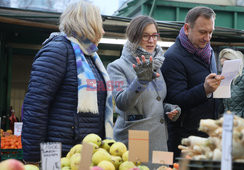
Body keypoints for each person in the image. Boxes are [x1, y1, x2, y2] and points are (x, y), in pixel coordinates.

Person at [21, 1, 113, 163]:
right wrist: (34, 159)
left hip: (85, 150)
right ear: (89, 23)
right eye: (99, 23)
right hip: (57, 152)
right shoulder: (58, 50)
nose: (102, 30)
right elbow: (35, 106)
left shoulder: (90, 56)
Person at [107, 15, 181, 168]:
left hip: (161, 139)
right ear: (134, 37)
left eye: (154, 35)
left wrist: (170, 109)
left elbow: (156, 100)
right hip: (136, 139)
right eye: (145, 36)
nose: (151, 40)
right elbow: (122, 103)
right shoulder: (117, 66)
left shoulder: (159, 62)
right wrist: (140, 81)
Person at [161, 6, 224, 159]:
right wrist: (204, 90)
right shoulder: (172, 57)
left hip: (207, 135)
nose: (207, 38)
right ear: (187, 28)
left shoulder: (208, 51)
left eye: (210, 32)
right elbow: (175, 100)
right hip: (185, 140)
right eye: (202, 32)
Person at [219, 48, 244, 119]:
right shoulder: (225, 80)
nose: (224, 68)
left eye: (226, 65)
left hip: (243, 124)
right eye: (222, 66)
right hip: (229, 122)